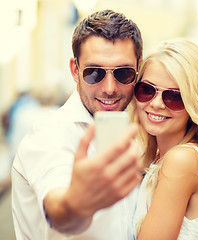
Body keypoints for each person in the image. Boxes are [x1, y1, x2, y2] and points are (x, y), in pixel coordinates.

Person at [12, 9, 143, 240]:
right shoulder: (48, 134)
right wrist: (77, 204)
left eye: (123, 73)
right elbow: (59, 210)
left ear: (138, 70)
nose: (110, 88)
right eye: (94, 73)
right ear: (75, 70)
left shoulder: (141, 133)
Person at [130, 39, 198, 240]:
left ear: (195, 103)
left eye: (174, 96)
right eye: (147, 90)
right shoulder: (166, 157)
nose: (157, 103)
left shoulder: (181, 160)